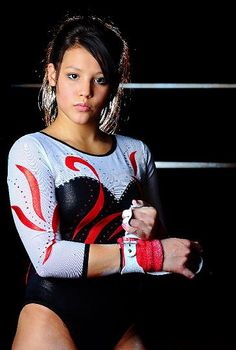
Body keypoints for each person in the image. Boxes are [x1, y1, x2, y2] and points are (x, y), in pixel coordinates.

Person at [7, 14, 202, 350]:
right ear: (52, 75)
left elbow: (165, 255)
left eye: (100, 79)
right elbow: (47, 256)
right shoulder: (32, 149)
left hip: (122, 320)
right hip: (53, 314)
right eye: (73, 76)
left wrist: (153, 235)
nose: (85, 92)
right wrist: (147, 254)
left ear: (114, 82)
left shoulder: (136, 153)